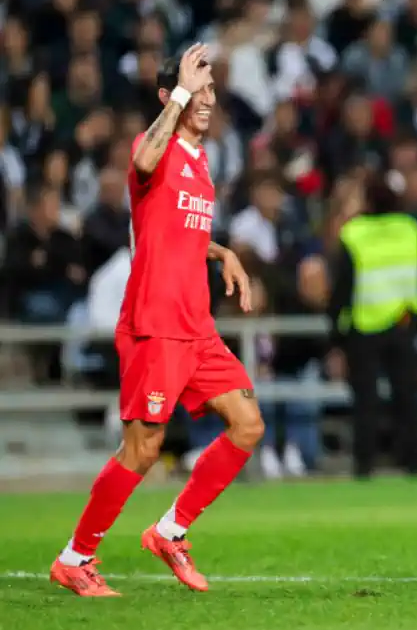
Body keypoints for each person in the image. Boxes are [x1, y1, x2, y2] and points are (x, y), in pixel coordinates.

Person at [50, 45, 262, 597]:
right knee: (142, 449)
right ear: (170, 96)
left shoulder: (199, 159)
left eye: (212, 90)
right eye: (197, 89)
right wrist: (181, 96)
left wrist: (222, 253)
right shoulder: (157, 148)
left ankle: (170, 530)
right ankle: (76, 557)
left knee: (247, 424)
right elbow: (143, 162)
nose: (208, 100)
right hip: (155, 322)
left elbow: (175, 229)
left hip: (195, 325)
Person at [325, 176, 417, 479]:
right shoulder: (412, 230)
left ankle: (365, 465)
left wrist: (334, 331)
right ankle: (412, 462)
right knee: (407, 398)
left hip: (364, 326)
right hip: (404, 321)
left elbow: (343, 285)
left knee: (365, 402)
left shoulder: (354, 233)